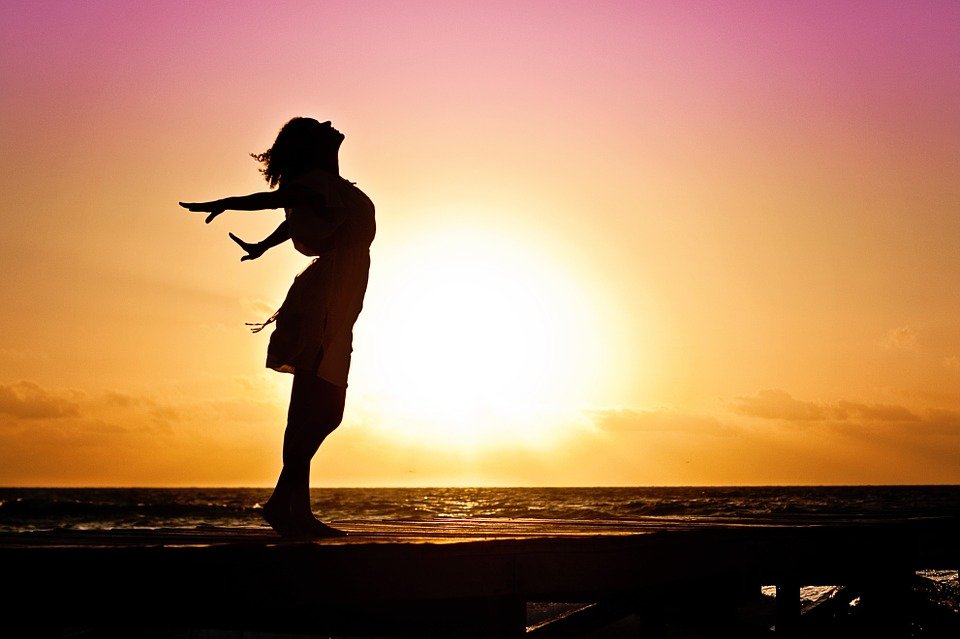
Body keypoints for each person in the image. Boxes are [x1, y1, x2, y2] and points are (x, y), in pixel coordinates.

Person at [180, 118, 375, 537]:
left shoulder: (331, 188)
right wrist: (226, 203)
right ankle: (291, 508)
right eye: (319, 125)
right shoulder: (316, 182)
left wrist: (262, 246)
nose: (329, 122)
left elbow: (294, 219)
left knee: (321, 409)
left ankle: (283, 504)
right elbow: (274, 202)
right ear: (314, 144)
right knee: (315, 406)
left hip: (335, 302)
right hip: (324, 302)